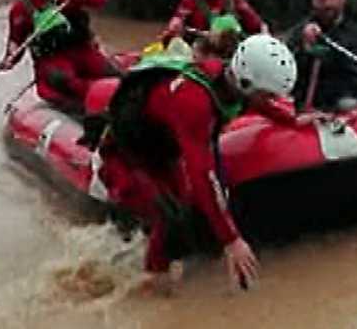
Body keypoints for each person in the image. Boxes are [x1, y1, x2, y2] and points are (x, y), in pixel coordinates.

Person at [97, 35, 298, 294]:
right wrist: (232, 240)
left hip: (161, 148)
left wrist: (292, 120)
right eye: (268, 94)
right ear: (247, 82)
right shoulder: (195, 102)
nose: (271, 99)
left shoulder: (232, 80)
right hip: (129, 153)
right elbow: (202, 174)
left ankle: (162, 265)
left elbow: (259, 104)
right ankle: (153, 287)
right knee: (169, 217)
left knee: (188, 211)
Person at [0, 0, 120, 111]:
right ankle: (98, 100)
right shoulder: (20, 10)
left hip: (82, 50)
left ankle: (115, 95)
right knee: (65, 80)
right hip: (52, 59)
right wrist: (9, 59)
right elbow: (16, 42)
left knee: (112, 73)